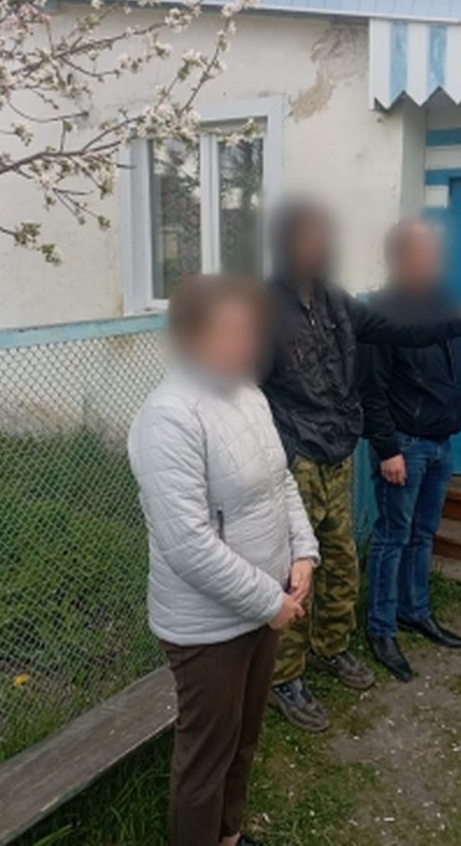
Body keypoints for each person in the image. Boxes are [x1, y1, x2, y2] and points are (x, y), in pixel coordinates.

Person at [262, 201, 461, 730]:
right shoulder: (264, 307)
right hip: (295, 459)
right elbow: (245, 386)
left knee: (341, 560)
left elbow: (402, 331)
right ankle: (284, 677)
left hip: (335, 452)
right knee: (294, 570)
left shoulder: (337, 301)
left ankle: (332, 647)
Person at [128, 274, 320, 846]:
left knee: (243, 739)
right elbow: (188, 545)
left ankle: (228, 836)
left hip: (265, 607)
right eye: (232, 332)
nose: (248, 344)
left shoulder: (248, 393)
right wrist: (269, 602)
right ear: (192, 337)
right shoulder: (168, 418)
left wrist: (303, 552)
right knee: (206, 757)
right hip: (208, 626)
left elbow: (281, 482)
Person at [360, 218, 461, 682]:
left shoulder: (448, 306)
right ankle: (381, 628)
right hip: (404, 445)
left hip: (441, 443)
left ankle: (414, 611)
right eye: (425, 253)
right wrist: (387, 449)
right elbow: (371, 391)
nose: (435, 260)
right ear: (399, 258)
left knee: (423, 533)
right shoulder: (381, 313)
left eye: (436, 252)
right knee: (392, 536)